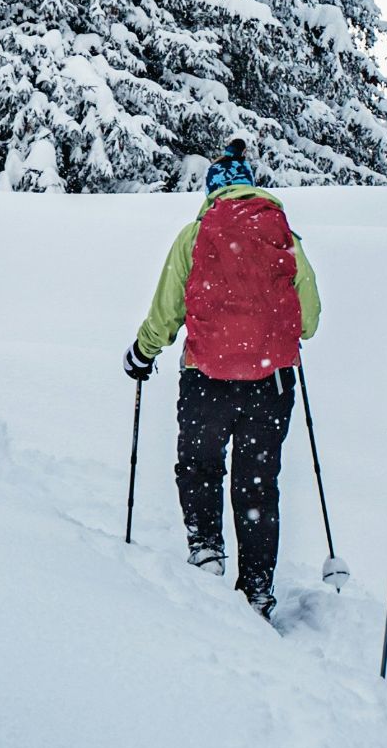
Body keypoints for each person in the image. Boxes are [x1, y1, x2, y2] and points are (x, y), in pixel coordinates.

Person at [125, 140, 322, 621]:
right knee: (257, 485)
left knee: (199, 466)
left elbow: (168, 309)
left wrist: (143, 351)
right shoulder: (284, 236)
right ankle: (257, 590)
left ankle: (207, 551)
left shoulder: (195, 235)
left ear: (212, 191)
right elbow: (310, 320)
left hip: (205, 379)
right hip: (269, 385)